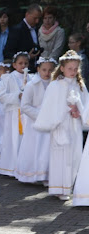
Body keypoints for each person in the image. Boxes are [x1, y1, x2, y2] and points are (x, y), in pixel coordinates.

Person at [34, 50, 89, 202]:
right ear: (62, 68)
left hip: (74, 126)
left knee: (74, 156)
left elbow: (85, 104)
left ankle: (69, 185)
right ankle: (59, 188)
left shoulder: (80, 85)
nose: (73, 71)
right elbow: (50, 106)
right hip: (60, 125)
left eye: (75, 68)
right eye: (70, 68)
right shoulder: (55, 85)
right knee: (61, 157)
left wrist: (79, 111)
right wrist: (66, 109)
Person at [15, 57, 56, 183]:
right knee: (34, 147)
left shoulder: (55, 84)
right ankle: (31, 174)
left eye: (50, 70)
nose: (47, 73)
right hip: (35, 122)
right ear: (38, 69)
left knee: (47, 149)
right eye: (44, 70)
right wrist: (40, 115)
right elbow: (25, 106)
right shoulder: (31, 85)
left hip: (50, 121)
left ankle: (46, 175)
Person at [0, 52, 29, 177]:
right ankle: (10, 167)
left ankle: (23, 167)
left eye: (26, 63)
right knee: (13, 140)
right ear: (14, 65)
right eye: (20, 63)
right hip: (13, 114)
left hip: (27, 114)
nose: (23, 66)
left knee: (25, 140)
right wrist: (17, 96)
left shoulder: (31, 78)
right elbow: (1, 96)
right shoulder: (8, 78)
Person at [4, 4, 42, 72]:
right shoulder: (17, 30)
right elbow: (7, 52)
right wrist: (26, 57)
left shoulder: (38, 29)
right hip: (21, 72)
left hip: (36, 70)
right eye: (35, 18)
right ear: (27, 14)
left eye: (39, 18)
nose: (37, 21)